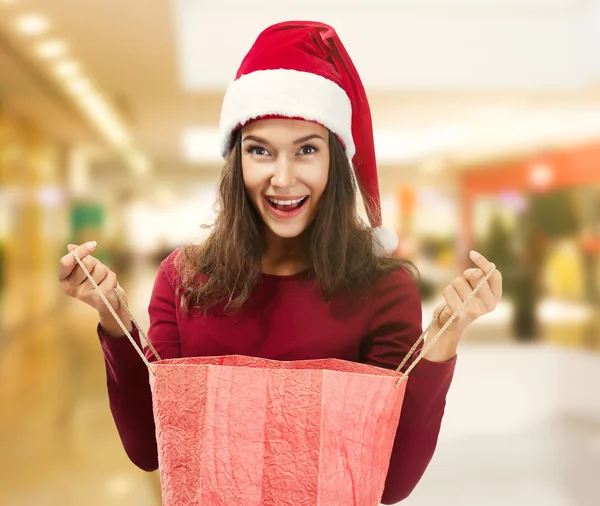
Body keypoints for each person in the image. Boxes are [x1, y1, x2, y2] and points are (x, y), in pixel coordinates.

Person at [58, 21, 502, 504]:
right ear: (237, 161)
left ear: (335, 160)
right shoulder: (184, 279)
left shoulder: (384, 288)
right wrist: (114, 320)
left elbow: (390, 483)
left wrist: (446, 338)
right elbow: (151, 449)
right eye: (260, 151)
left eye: (306, 150)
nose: (282, 177)